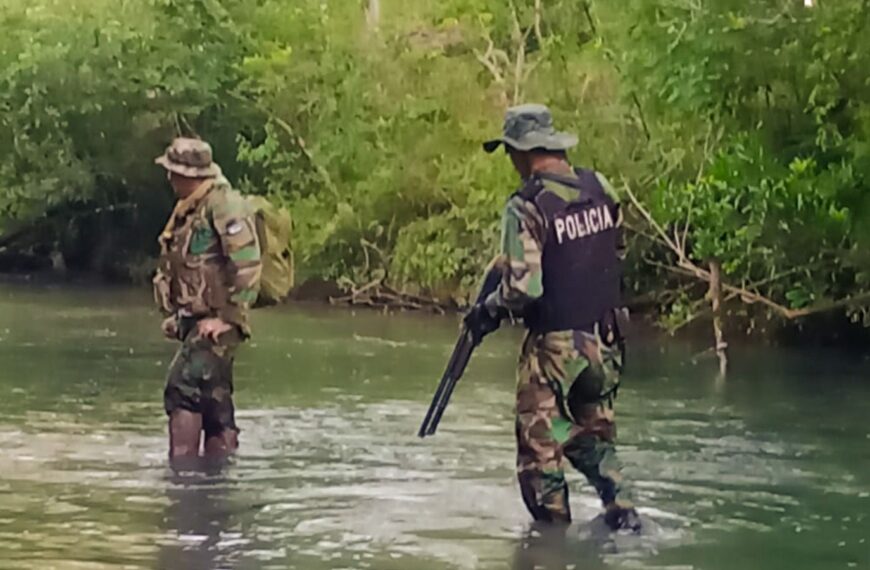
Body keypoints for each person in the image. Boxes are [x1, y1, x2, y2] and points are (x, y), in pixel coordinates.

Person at [466, 104, 640, 531]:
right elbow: (617, 251)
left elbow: (524, 290)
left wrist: (487, 311)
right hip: (608, 339)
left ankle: (552, 546)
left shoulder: (526, 205)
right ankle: (625, 514)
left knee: (538, 458)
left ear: (523, 153)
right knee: (589, 437)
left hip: (556, 350)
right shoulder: (599, 186)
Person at [153, 137, 262, 459]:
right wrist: (179, 316)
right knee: (214, 401)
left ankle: (182, 477)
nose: (169, 178)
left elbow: (248, 262)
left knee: (182, 391)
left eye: (173, 171)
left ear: (190, 174)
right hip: (197, 322)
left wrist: (227, 317)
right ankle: (217, 480)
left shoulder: (224, 204)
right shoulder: (191, 207)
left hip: (216, 325)